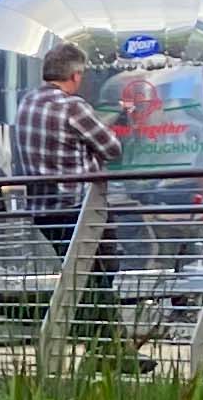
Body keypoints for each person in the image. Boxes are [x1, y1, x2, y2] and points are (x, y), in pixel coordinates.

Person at [8, 40, 120, 258]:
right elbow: (113, 149)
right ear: (76, 75)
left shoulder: (27, 102)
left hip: (42, 210)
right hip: (77, 207)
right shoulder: (73, 107)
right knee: (103, 267)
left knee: (72, 268)